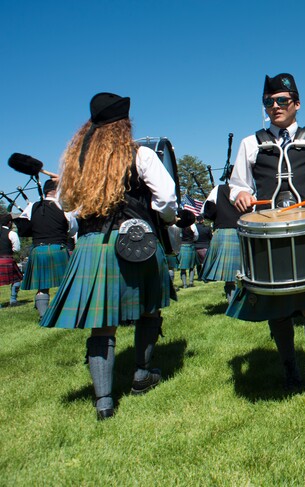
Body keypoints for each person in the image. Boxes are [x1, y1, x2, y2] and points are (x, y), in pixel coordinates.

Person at [40, 92, 179, 420]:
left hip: (91, 244)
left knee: (102, 325)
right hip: (136, 241)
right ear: (124, 124)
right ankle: (141, 373)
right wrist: (166, 221)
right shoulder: (140, 154)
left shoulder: (77, 163)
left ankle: (104, 401)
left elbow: (67, 213)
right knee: (149, 309)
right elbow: (167, 198)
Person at [227, 73, 305, 415]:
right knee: (276, 305)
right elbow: (236, 186)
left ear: (296, 104)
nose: (274, 107)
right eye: (268, 102)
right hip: (267, 233)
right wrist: (241, 195)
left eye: (281, 101)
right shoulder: (251, 142)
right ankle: (290, 368)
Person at [14, 178, 77, 319]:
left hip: (38, 249)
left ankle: (43, 315)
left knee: (42, 286)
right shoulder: (63, 207)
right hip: (58, 248)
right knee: (67, 283)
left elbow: (23, 227)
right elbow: (73, 230)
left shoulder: (32, 207)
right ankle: (67, 312)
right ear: (57, 191)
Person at [200, 183, 242, 303]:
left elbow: (208, 211)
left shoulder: (219, 189)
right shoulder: (249, 189)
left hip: (224, 232)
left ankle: (232, 303)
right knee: (246, 271)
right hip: (245, 230)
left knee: (230, 277)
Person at [0, 213, 22, 307]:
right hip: (7, 260)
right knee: (17, 279)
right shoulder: (11, 233)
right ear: (9, 223)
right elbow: (16, 248)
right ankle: (13, 300)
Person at [176, 219, 199, 288]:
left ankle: (185, 284)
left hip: (183, 246)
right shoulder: (193, 225)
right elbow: (196, 236)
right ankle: (191, 282)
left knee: (183, 267)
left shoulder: (179, 226)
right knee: (192, 266)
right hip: (191, 245)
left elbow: (178, 237)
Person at [194, 214, 213, 281]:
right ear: (202, 220)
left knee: (198, 264)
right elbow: (211, 237)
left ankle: (199, 276)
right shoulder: (207, 228)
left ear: (197, 220)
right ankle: (206, 276)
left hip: (196, 247)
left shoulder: (194, 228)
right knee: (206, 263)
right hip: (205, 246)